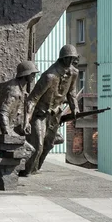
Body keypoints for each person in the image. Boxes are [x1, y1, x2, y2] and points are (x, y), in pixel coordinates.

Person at [22, 45, 79, 175]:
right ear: (62, 59)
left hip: (55, 115)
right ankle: (26, 170)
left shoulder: (74, 73)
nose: (70, 62)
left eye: (72, 59)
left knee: (49, 144)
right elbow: (32, 100)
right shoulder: (49, 76)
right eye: (68, 59)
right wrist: (26, 121)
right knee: (38, 145)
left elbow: (72, 92)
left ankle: (36, 168)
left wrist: (75, 108)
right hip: (40, 114)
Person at [0, 61, 39, 135]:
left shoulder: (15, 84)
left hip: (4, 126)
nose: (34, 76)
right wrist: (7, 133)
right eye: (32, 74)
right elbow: (3, 113)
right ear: (25, 74)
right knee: (27, 147)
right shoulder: (14, 92)